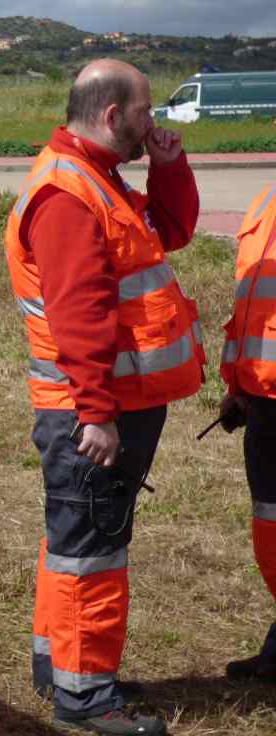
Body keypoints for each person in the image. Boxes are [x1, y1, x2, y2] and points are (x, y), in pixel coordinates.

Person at [5, 59, 203, 735]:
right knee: (91, 546)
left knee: (74, 537)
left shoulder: (99, 179)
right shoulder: (69, 194)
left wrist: (168, 166)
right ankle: (86, 697)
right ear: (114, 116)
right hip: (94, 411)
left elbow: (170, 232)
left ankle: (59, 664)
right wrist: (96, 411)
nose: (156, 122)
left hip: (110, 403)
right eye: (148, 112)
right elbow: (80, 313)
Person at [219, 181, 276, 682]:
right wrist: (236, 385)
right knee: (271, 527)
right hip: (261, 402)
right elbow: (249, 305)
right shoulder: (264, 200)